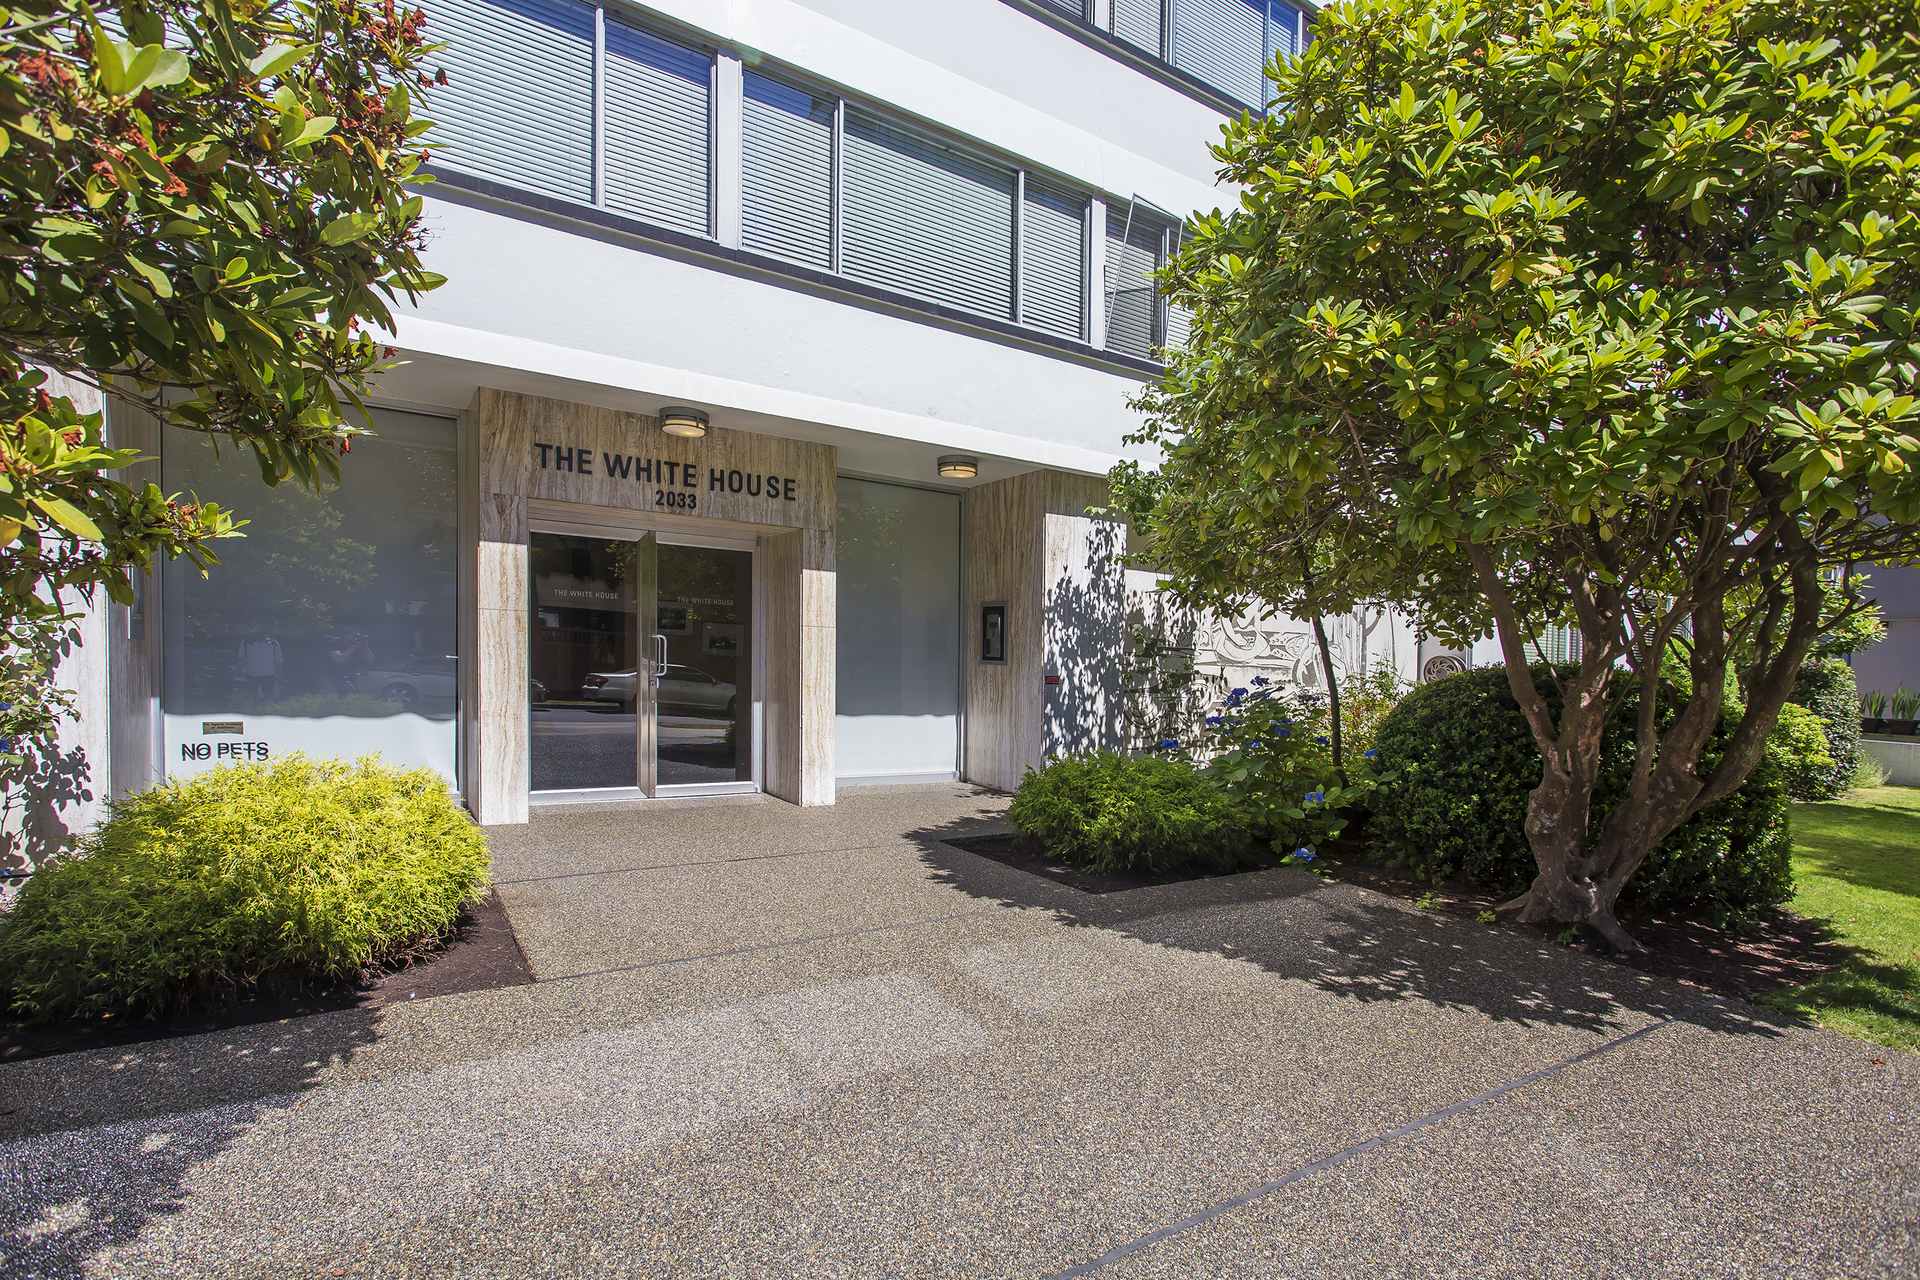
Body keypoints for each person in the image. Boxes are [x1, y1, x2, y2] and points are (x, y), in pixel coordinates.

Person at [237, 630, 283, 711]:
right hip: (251, 674)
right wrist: (240, 670)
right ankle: (248, 713)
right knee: (250, 695)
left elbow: (278, 660)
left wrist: (281, 674)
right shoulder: (246, 643)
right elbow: (240, 658)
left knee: (268, 696)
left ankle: (268, 715)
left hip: (268, 674)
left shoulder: (273, 643)